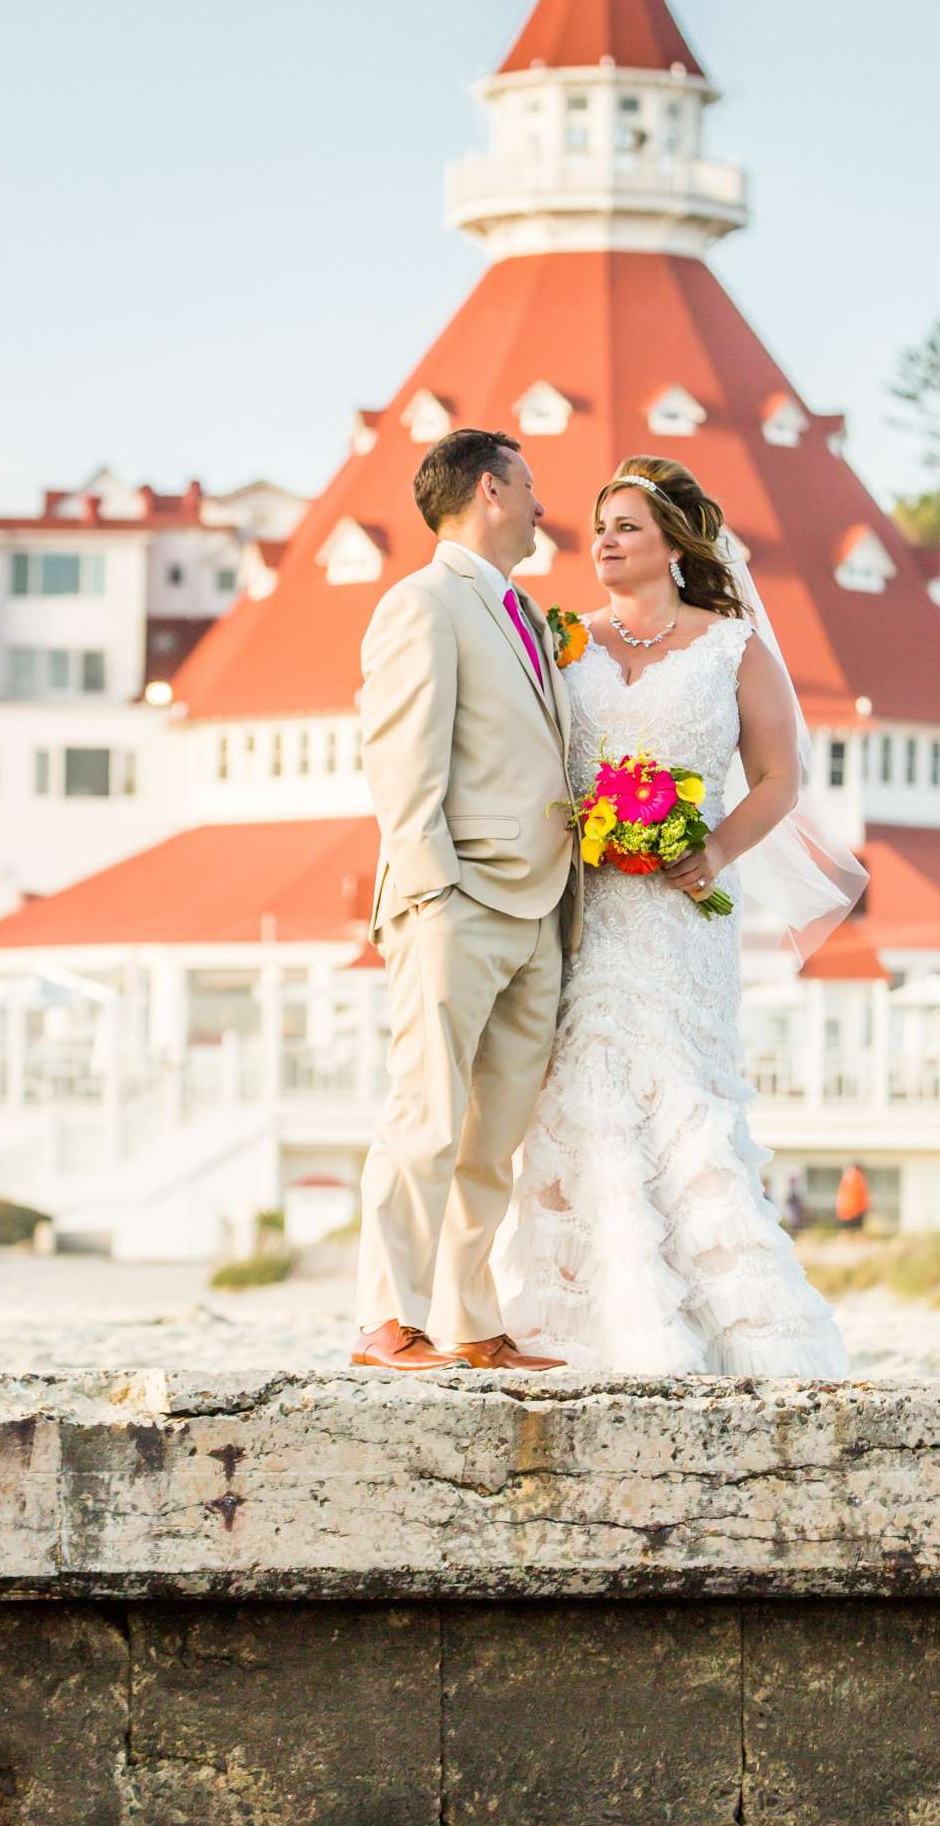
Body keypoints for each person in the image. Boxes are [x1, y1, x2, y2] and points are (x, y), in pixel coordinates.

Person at [499, 455, 863, 1374]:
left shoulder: (730, 647)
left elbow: (783, 777)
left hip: (681, 912)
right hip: (588, 908)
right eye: (600, 525)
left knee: (678, 1095)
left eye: (625, 526)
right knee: (583, 1087)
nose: (605, 541)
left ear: (672, 545)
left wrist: (715, 851)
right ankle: (589, 1320)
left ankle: (719, 1323)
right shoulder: (566, 642)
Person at [350, 429, 580, 1372]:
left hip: (540, 907)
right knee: (428, 1114)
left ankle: (469, 1323)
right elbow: (401, 757)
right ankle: (382, 1321)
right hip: (458, 899)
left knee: (494, 1135)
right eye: (529, 487)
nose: (540, 505)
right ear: (490, 489)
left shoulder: (521, 609)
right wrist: (435, 889)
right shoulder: (423, 602)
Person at [836, 1161, 870, 1235]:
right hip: (856, 1209)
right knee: (858, 1230)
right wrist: (865, 1206)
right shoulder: (859, 1177)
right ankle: (858, 1244)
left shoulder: (846, 1177)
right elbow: (862, 1194)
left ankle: (844, 1245)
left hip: (845, 1210)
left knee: (846, 1230)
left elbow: (841, 1195)